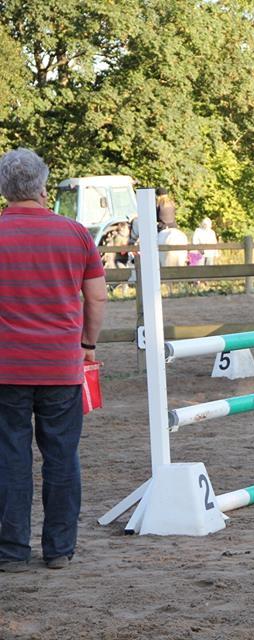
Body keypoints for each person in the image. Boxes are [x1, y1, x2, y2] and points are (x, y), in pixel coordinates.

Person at [0, 148, 107, 572]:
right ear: (43, 187)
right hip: (61, 365)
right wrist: (87, 343)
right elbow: (96, 297)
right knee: (62, 456)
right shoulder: (76, 234)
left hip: (6, 367)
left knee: (10, 456)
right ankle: (59, 549)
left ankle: (11, 549)